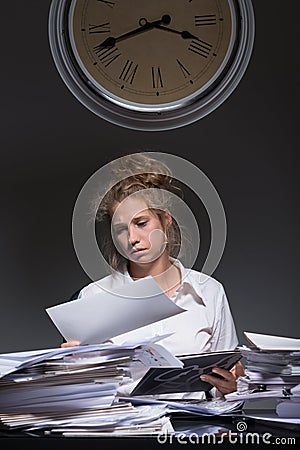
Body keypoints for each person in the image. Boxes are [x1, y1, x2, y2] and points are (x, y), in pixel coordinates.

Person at [62, 153, 244, 396]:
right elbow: (82, 394)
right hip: (122, 430)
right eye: (120, 229)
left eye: (141, 223)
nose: (132, 239)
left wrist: (231, 387)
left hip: (192, 429)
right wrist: (70, 368)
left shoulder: (209, 292)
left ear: (166, 219)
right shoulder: (93, 296)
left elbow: (227, 387)